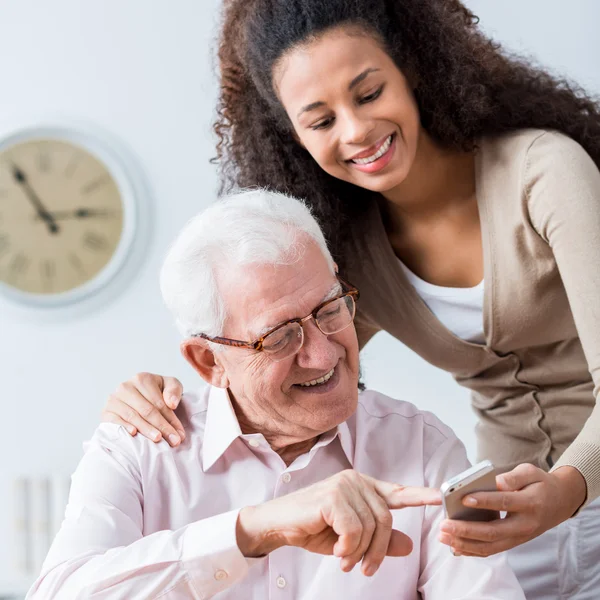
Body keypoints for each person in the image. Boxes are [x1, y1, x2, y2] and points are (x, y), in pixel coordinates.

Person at [101, 1, 600, 597]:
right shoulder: (348, 251)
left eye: (368, 94)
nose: (356, 131)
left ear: (413, 69)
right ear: (293, 137)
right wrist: (163, 395)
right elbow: (273, 369)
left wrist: (571, 486)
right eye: (320, 120)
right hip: (507, 513)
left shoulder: (543, 174)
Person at [28, 190, 524, 599]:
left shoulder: (422, 448)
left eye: (330, 309)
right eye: (280, 337)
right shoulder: (139, 447)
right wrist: (254, 529)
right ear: (209, 361)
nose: (325, 356)